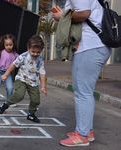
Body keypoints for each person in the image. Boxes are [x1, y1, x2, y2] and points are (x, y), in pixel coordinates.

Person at [52, 0, 111, 147]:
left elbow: (84, 14)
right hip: (92, 46)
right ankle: (86, 131)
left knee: (82, 92)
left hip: (90, 46)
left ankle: (82, 135)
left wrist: (62, 16)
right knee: (84, 91)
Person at [0, 35, 47, 123]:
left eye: (38, 52)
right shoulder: (23, 56)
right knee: (19, 95)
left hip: (33, 82)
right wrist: (6, 74)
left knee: (36, 100)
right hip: (21, 79)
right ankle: (5, 105)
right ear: (28, 48)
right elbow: (13, 65)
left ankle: (31, 114)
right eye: (33, 52)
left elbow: (42, 73)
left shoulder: (40, 60)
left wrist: (43, 86)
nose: (35, 54)